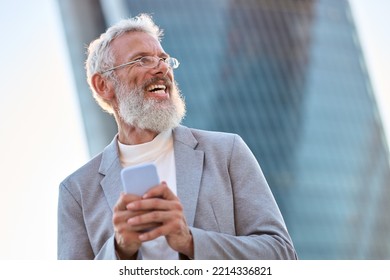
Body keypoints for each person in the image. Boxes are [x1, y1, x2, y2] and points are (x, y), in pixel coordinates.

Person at [57, 13, 297, 260]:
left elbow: (282, 255)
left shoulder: (227, 152)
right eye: (142, 60)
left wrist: (189, 240)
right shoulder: (76, 192)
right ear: (103, 85)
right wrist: (119, 250)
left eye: (163, 59)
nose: (162, 67)